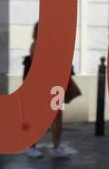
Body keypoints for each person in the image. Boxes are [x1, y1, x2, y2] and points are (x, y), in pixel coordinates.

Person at [22, 21, 81, 158]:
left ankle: (56, 146)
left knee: (57, 115)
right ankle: (31, 146)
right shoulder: (36, 45)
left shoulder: (52, 45)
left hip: (54, 86)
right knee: (38, 117)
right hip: (41, 87)